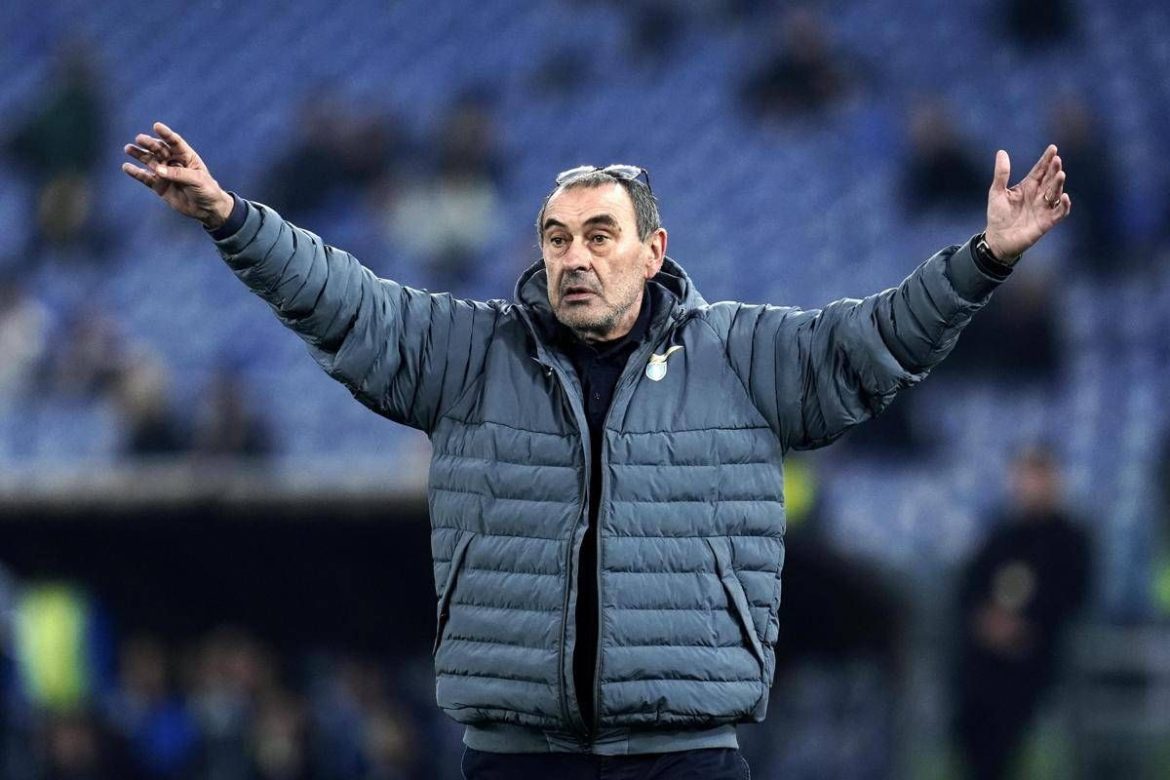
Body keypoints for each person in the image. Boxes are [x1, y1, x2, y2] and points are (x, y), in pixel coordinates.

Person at [122, 121, 1071, 778]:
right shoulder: (471, 354)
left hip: (685, 753)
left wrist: (984, 260)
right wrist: (231, 219)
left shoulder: (743, 358)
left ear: (653, 251)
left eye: (599, 236)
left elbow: (877, 341)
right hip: (516, 755)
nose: (573, 257)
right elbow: (346, 303)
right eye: (556, 238)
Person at [951, 447, 1092, 779]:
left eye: (1036, 476)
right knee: (970, 708)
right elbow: (970, 588)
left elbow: (1071, 595)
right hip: (986, 656)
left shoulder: (1070, 539)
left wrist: (1026, 627)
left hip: (1039, 653)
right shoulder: (1001, 535)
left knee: (1009, 709)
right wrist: (987, 621)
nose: (1029, 486)